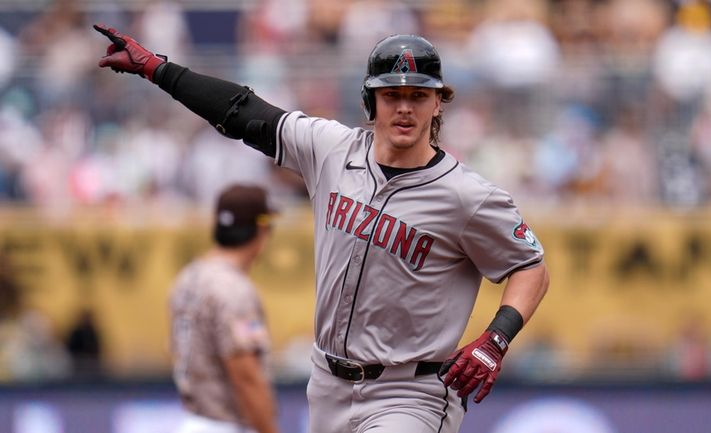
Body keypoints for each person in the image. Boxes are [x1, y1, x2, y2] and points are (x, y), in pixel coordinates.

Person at [95, 25, 550, 433]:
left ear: (438, 102)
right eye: (392, 96)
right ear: (371, 101)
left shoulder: (467, 196)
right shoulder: (332, 150)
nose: (405, 108)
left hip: (410, 393)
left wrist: (496, 338)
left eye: (418, 96)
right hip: (327, 383)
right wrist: (159, 69)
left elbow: (531, 267)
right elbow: (243, 112)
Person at [168, 184, 280, 433]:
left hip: (193, 420)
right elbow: (246, 378)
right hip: (227, 424)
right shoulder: (235, 291)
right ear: (262, 229)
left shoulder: (188, 277)